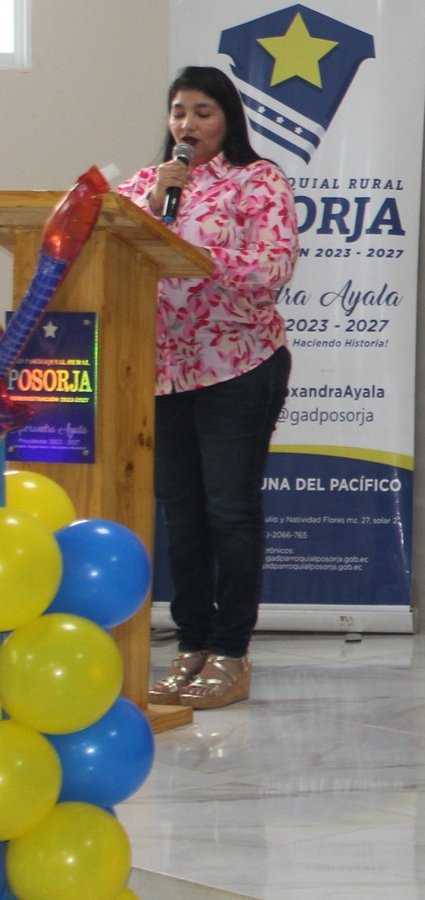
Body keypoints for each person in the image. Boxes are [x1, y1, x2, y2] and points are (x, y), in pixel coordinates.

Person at [117, 67, 296, 710]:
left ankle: (230, 652)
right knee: (181, 512)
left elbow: (273, 266)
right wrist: (155, 204)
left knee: (230, 509)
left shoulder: (258, 180)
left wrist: (189, 251)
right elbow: (108, 240)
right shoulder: (148, 184)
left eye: (202, 112)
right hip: (164, 369)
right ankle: (190, 645)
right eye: (178, 112)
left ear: (227, 119)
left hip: (238, 365)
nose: (187, 124)